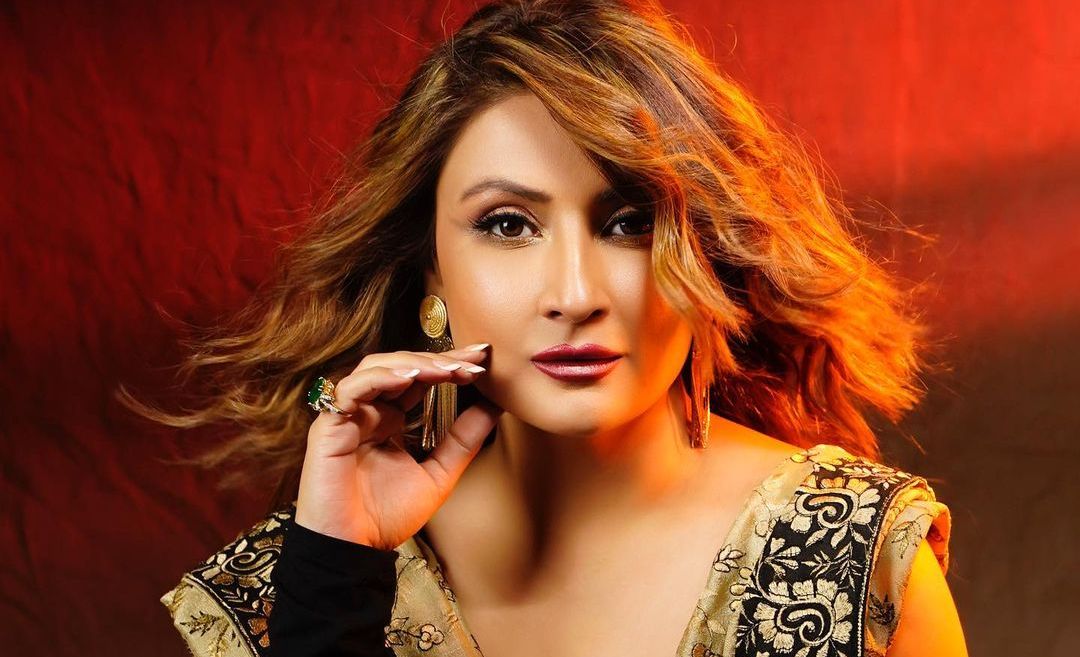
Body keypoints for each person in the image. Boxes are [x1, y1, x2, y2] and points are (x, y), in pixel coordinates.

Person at [127, 1, 967, 655]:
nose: (573, 293)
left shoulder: (856, 563)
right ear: (430, 274)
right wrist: (335, 577)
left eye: (630, 222)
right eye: (507, 224)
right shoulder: (291, 586)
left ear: (707, 253)